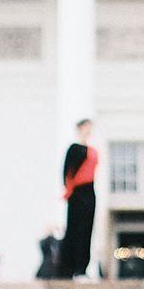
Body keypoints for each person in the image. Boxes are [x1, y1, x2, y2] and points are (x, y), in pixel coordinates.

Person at [57, 119, 98, 279]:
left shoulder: (93, 150)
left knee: (87, 229)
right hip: (77, 193)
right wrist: (69, 191)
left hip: (89, 191)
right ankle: (69, 268)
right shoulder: (74, 149)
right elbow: (68, 173)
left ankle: (82, 267)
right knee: (75, 228)